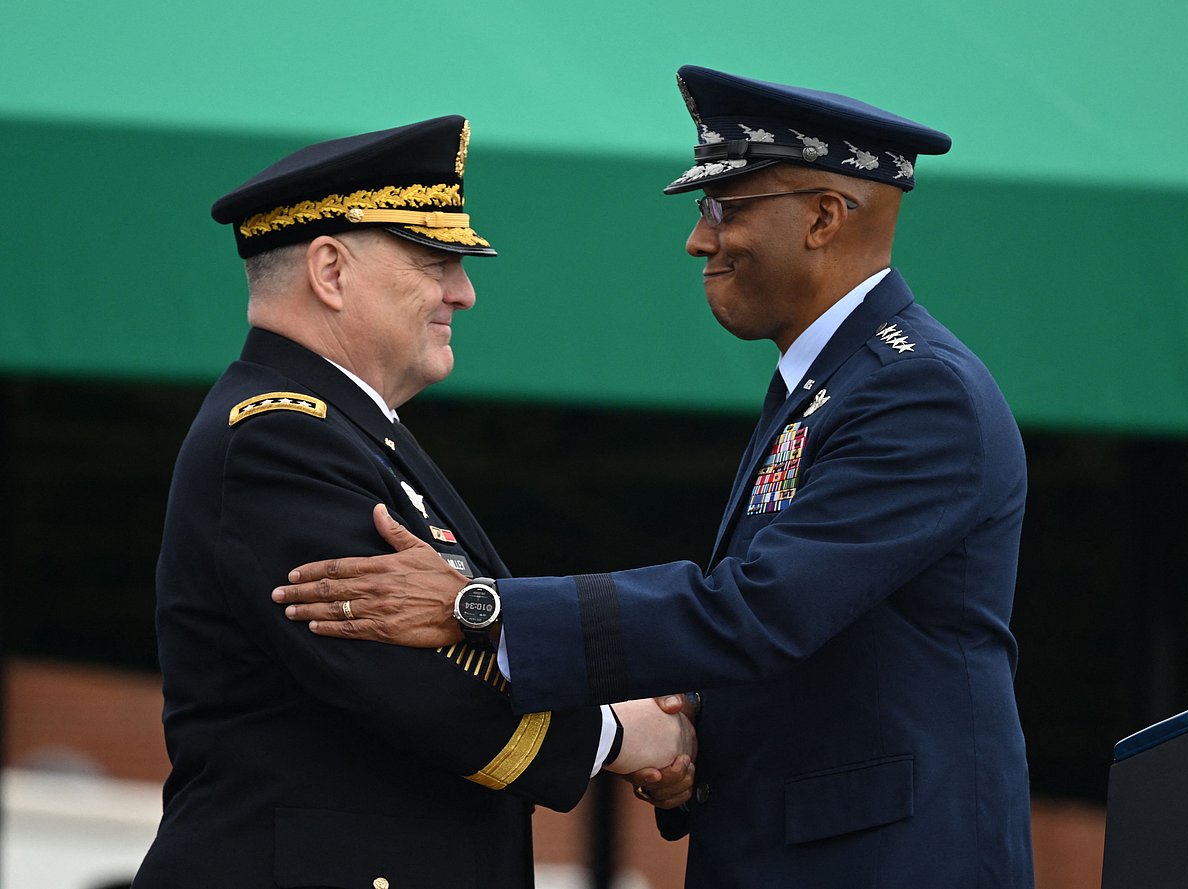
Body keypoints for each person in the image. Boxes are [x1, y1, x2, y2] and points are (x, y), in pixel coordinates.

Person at [274, 67, 1035, 888]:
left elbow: (762, 609)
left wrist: (479, 608)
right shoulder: (834, 385)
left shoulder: (917, 391)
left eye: (726, 208)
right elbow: (808, 641)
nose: (699, 240)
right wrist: (688, 731)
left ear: (822, 217)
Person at [132, 116, 695, 889]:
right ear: (330, 270)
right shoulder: (277, 439)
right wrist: (617, 735)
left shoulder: (351, 435)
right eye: (436, 261)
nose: (463, 291)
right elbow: (407, 674)